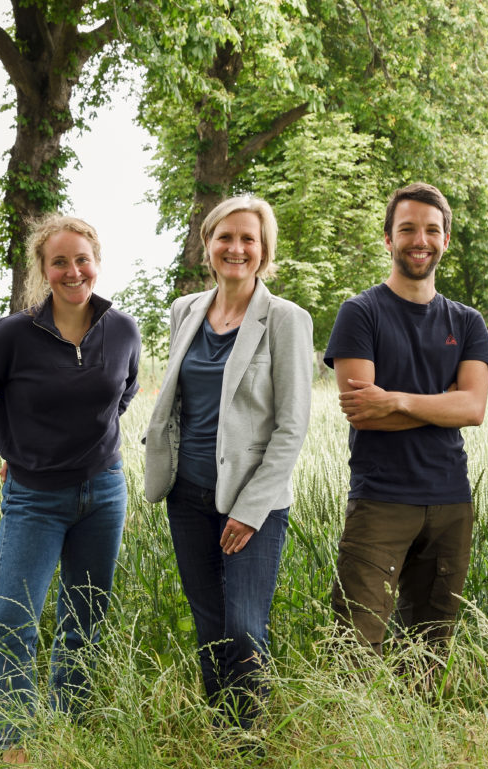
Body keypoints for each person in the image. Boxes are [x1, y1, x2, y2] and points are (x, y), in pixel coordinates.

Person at [0, 215, 141, 769]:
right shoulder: (12, 335)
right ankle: (15, 742)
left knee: (83, 617)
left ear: (97, 262)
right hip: (34, 499)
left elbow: (125, 393)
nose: (72, 270)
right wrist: (13, 450)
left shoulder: (123, 330)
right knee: (11, 616)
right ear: (42, 271)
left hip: (104, 496)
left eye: (81, 259)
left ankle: (69, 724)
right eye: (59, 261)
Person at [143, 196, 313, 730]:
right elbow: (176, 405)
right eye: (225, 237)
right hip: (187, 496)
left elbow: (292, 426)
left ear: (264, 251)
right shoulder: (185, 311)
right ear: (207, 244)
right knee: (209, 622)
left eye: (249, 239)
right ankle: (223, 733)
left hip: (253, 505)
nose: (236, 248)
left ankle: (252, 736)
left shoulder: (286, 319)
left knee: (243, 626)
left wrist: (250, 509)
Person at [323, 182, 488, 657]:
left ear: (446, 240)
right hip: (381, 502)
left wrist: (396, 401)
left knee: (429, 648)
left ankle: (418, 732)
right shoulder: (360, 313)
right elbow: (363, 413)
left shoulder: (466, 322)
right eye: (407, 229)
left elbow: (474, 409)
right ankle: (350, 732)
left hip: (451, 503)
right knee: (354, 646)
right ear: (388, 239)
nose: (419, 239)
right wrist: (442, 405)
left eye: (431, 230)